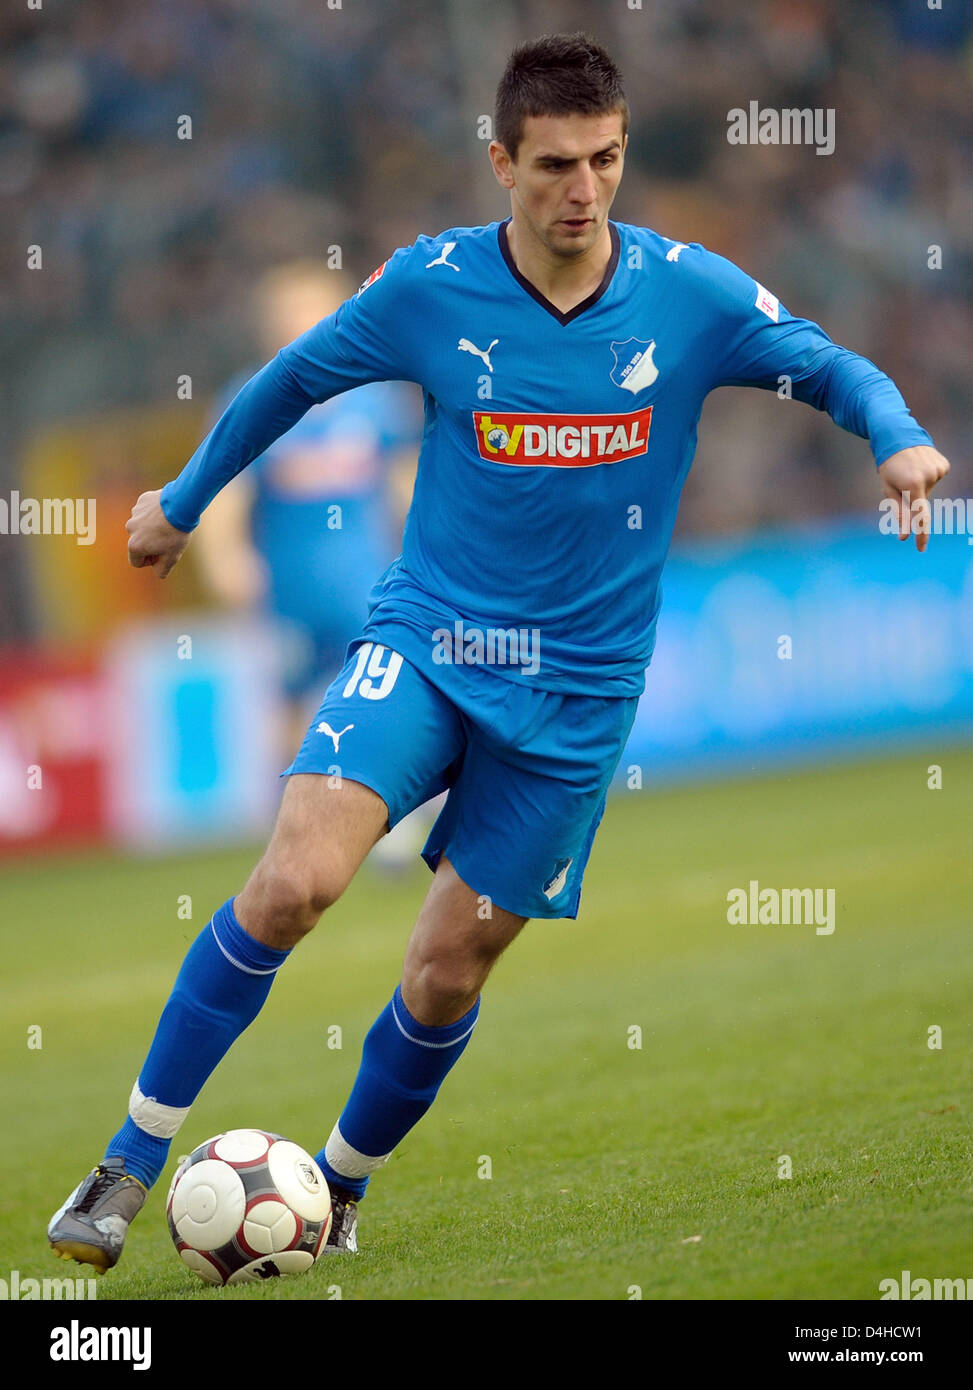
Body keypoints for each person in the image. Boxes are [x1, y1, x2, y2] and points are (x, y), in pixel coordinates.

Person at [48, 31, 949, 1270]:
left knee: (445, 972)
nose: (584, 192)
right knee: (296, 881)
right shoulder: (431, 288)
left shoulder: (688, 294)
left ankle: (341, 1183)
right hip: (430, 640)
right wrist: (185, 498)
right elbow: (291, 379)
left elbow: (828, 364)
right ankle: (124, 1166)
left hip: (579, 693)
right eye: (555, 166)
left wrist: (893, 434)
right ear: (500, 162)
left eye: (606, 161)